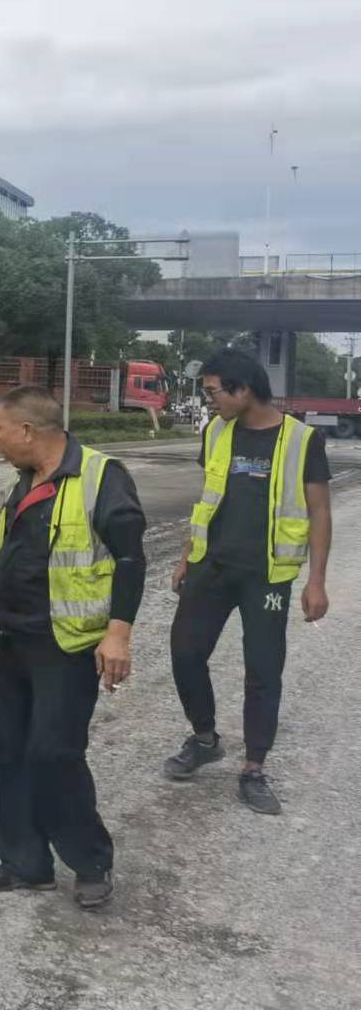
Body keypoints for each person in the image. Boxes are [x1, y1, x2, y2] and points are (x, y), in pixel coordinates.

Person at [0, 384, 146, 910]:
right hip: (12, 639)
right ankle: (25, 864)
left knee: (54, 753)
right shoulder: (25, 481)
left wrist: (119, 632)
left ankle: (90, 860)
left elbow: (130, 560)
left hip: (67, 645)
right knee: (10, 753)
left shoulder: (102, 478)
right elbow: (5, 549)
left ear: (29, 431)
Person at [164, 349, 332, 815]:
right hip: (210, 567)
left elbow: (320, 510)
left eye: (214, 391)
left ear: (243, 389)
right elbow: (207, 498)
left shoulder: (302, 440)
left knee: (262, 670)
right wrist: (185, 556)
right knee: (185, 652)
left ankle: (253, 767)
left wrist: (316, 581)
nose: (210, 400)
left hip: (266, 576)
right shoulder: (216, 431)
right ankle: (204, 737)